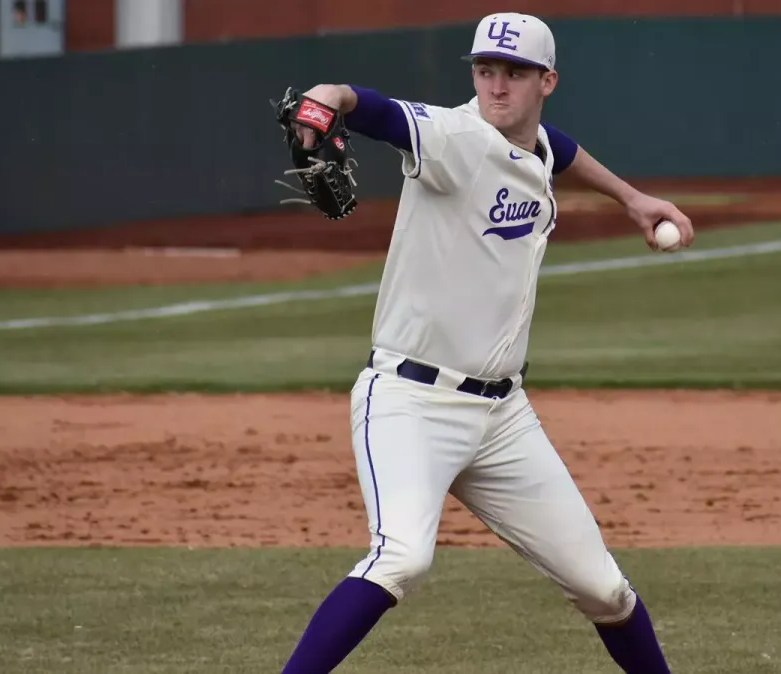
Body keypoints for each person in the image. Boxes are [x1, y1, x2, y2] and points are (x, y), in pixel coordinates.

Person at [280, 12, 694, 673]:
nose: (497, 86)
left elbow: (553, 147)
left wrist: (631, 198)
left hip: (502, 417)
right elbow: (382, 113)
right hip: (411, 403)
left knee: (603, 587)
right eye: (485, 71)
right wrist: (334, 96)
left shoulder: (532, 147)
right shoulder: (454, 137)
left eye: (515, 73)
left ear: (546, 80)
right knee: (401, 559)